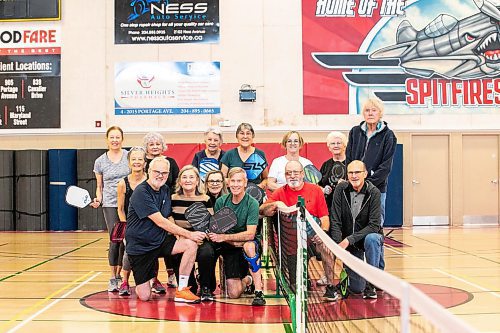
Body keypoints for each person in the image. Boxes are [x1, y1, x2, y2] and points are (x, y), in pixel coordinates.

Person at [125, 156, 206, 302]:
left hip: (160, 240)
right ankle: (142, 281)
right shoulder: (141, 192)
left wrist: (180, 236)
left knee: (190, 244)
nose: (160, 176)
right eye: (157, 172)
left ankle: (181, 289)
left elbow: (167, 215)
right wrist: (189, 233)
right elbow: (160, 221)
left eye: (164, 173)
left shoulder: (165, 189)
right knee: (144, 296)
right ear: (148, 171)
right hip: (140, 246)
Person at [259, 160, 338, 301]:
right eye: (289, 173)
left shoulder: (315, 190)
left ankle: (331, 287)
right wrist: (275, 204)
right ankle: (301, 279)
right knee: (297, 289)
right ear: (285, 175)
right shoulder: (280, 192)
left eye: (296, 172)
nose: (293, 176)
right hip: (290, 244)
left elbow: (324, 217)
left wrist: (323, 233)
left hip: (313, 238)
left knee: (326, 248)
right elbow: (261, 211)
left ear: (302, 174)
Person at [207, 167, 266, 306]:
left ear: (245, 183)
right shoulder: (221, 202)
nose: (235, 184)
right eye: (232, 181)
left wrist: (225, 238)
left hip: (247, 243)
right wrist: (226, 239)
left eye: (239, 181)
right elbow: (219, 231)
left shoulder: (252, 203)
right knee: (234, 293)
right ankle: (248, 280)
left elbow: (250, 234)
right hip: (230, 246)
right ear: (228, 183)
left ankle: (258, 291)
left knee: (249, 245)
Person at [329, 160, 384, 299]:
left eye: (357, 172)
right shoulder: (340, 189)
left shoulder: (374, 193)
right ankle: (365, 279)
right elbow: (335, 220)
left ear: (365, 174)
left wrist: (348, 240)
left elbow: (374, 225)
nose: (354, 176)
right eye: (350, 173)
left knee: (373, 238)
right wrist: (338, 244)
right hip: (351, 245)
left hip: (366, 238)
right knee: (356, 288)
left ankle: (372, 281)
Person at [346, 97, 397, 229]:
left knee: (374, 226)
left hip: (377, 188)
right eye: (367, 110)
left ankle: (376, 250)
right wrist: (355, 182)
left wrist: (367, 185)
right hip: (355, 187)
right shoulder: (354, 132)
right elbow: (349, 159)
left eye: (374, 110)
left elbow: (386, 166)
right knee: (355, 224)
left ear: (380, 114)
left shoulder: (388, 135)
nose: (370, 113)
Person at [91, 126, 130, 292]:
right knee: (115, 240)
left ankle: (122, 276)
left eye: (117, 137)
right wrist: (98, 199)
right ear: (107, 140)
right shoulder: (100, 161)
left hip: (129, 202)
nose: (115, 140)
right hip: (111, 205)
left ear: (122, 139)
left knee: (127, 242)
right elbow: (99, 186)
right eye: (112, 137)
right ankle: (113, 277)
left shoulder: (129, 156)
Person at [170, 165, 216, 301]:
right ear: (179, 181)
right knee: (176, 254)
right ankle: (188, 287)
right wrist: (180, 235)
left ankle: (206, 287)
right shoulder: (173, 198)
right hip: (181, 239)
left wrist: (203, 235)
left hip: (201, 239)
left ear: (197, 181)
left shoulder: (205, 199)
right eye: (184, 177)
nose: (188, 180)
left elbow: (210, 223)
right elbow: (169, 218)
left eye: (191, 177)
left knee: (207, 252)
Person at [143, 131, 179, 288]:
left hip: (168, 205)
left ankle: (172, 274)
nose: (155, 147)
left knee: (169, 238)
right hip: (149, 206)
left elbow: (177, 183)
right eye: (151, 144)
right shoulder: (143, 163)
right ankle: (153, 278)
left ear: (163, 146)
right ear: (146, 147)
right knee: (152, 240)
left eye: (158, 144)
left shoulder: (170, 161)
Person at [116, 146, 147, 296]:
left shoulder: (149, 181)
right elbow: (120, 208)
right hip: (131, 226)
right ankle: (125, 281)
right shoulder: (123, 183)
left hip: (149, 224)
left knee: (152, 251)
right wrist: (126, 227)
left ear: (145, 162)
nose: (137, 162)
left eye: (140, 159)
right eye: (133, 159)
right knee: (129, 251)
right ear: (129, 163)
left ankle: (153, 279)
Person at [220, 123, 268, 190]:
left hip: (255, 195)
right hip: (234, 194)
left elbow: (266, 178)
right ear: (237, 136)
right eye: (242, 133)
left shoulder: (260, 154)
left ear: (253, 136)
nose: (245, 136)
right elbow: (222, 179)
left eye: (248, 133)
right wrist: (235, 183)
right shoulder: (229, 154)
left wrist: (260, 186)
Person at [318, 131, 348, 213]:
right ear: (329, 147)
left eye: (339, 143)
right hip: (329, 208)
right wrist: (323, 189)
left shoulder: (352, 163)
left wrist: (347, 185)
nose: (336, 146)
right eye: (332, 143)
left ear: (344, 146)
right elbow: (318, 185)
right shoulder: (326, 165)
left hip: (348, 208)